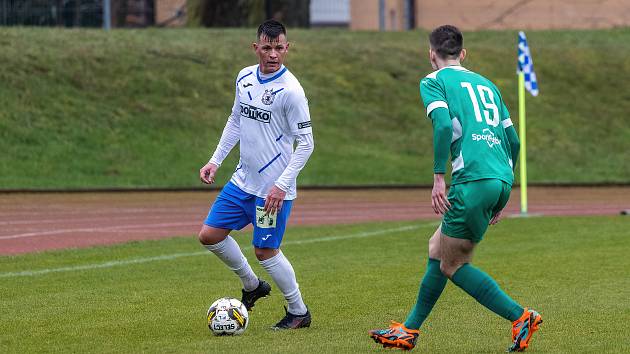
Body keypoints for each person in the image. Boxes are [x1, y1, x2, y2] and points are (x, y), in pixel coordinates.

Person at [369, 25, 542, 351]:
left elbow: (445, 124)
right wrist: (503, 187)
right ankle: (408, 330)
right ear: (463, 53)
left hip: (472, 181)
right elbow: (514, 141)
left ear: (431, 53)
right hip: (499, 177)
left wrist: (438, 177)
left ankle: (520, 317)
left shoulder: (433, 81)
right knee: (437, 247)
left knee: (453, 264)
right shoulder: (488, 84)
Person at [198, 19, 314, 330]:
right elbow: (235, 119)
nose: (273, 54)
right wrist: (215, 160)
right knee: (209, 236)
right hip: (242, 181)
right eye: (267, 47)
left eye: (279, 48)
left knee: (265, 250)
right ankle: (252, 286)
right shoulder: (245, 77)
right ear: (256, 48)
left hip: (271, 190)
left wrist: (281, 184)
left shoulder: (292, 92)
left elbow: (306, 144)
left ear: (287, 48)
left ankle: (298, 311)